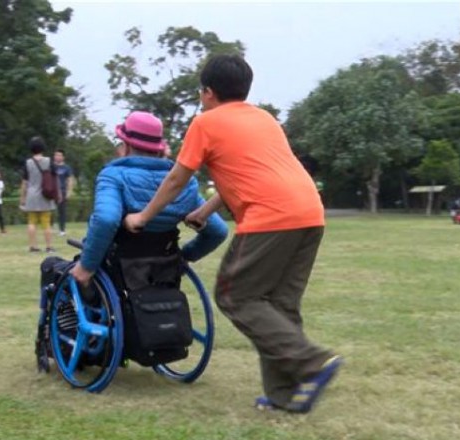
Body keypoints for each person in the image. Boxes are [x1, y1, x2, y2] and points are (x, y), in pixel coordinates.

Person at [124, 54, 342, 414]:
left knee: (234, 295)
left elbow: (178, 178)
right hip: (309, 213)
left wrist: (143, 216)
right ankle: (284, 397)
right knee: (279, 305)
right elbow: (248, 173)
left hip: (270, 217)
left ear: (207, 92)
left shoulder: (205, 123)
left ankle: (310, 362)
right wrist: (205, 211)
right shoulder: (264, 120)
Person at [69, 111, 228, 285]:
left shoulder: (113, 176)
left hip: (117, 268)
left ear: (126, 146)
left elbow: (106, 220)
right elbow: (218, 231)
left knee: (52, 268)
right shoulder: (183, 184)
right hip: (164, 271)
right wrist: (183, 258)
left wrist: (87, 267)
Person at [20, 136, 57, 253]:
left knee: (32, 222)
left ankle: (33, 246)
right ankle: (49, 246)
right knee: (46, 223)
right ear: (43, 147)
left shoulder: (28, 163)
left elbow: (25, 182)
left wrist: (22, 198)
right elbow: (54, 178)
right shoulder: (48, 161)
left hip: (31, 195)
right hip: (45, 194)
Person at [53, 149, 76, 236]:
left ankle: (62, 229)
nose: (57, 157)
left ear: (63, 157)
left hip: (62, 192)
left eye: (59, 155)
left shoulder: (66, 168)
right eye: (56, 155)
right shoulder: (52, 167)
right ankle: (51, 228)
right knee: (50, 210)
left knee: (62, 211)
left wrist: (69, 191)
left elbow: (70, 179)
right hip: (53, 192)